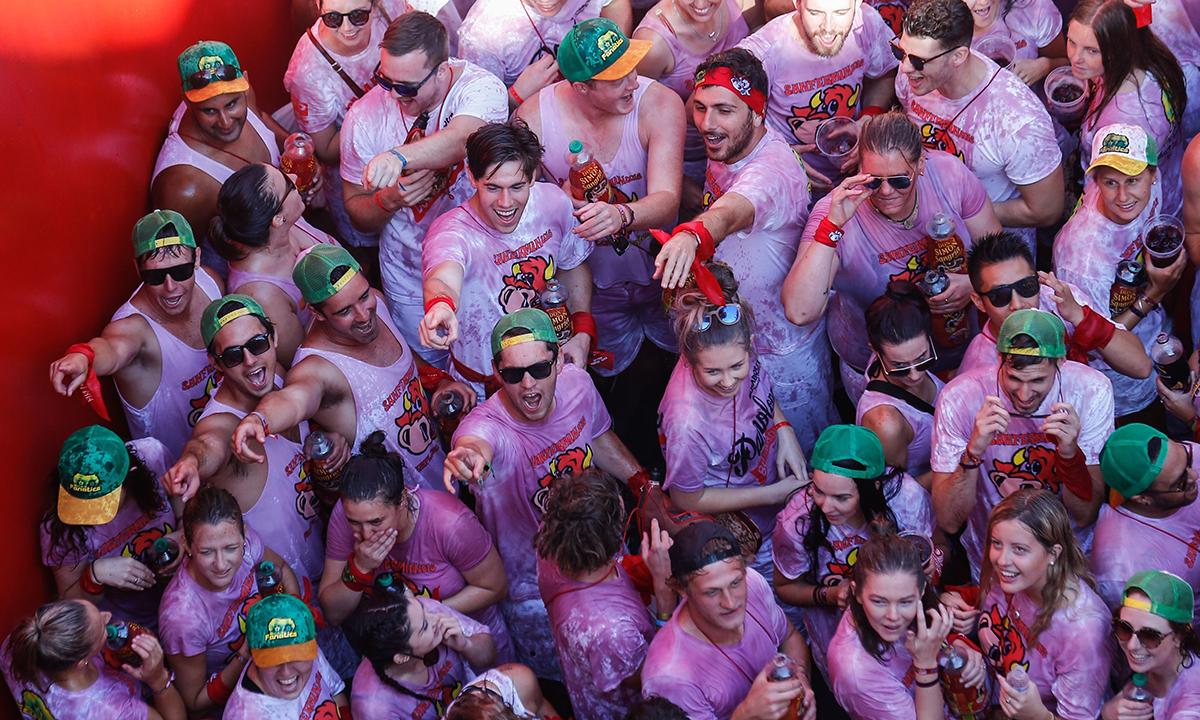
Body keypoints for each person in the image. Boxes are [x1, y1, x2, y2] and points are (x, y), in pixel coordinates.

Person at [444, 308, 644, 678]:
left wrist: (642, 485)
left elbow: (597, 436)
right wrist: (468, 459)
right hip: (536, 592)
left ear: (558, 359)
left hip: (605, 557)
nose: (529, 385)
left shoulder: (578, 385)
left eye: (539, 369)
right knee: (572, 679)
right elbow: (476, 446)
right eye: (513, 374)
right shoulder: (487, 426)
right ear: (496, 373)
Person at [655, 49, 838, 450]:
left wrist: (693, 235)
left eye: (724, 110)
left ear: (757, 113)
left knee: (801, 461)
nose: (707, 124)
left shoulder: (767, 174)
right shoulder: (732, 145)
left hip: (782, 356)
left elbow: (728, 212)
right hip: (738, 344)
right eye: (700, 108)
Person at [784, 111, 1002, 401]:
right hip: (884, 371)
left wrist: (974, 285)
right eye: (874, 181)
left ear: (920, 164)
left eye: (900, 180)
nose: (885, 191)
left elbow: (998, 257)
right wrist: (833, 227)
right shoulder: (834, 211)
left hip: (960, 346)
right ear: (859, 167)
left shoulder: (948, 175)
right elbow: (800, 311)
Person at [515, 18, 685, 379]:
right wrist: (555, 203)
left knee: (682, 364)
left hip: (663, 277)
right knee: (612, 382)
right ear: (581, 87)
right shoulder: (533, 119)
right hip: (590, 289)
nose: (633, 82)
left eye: (632, 67)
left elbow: (668, 199)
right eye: (617, 78)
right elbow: (518, 213)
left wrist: (620, 215)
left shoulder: (660, 103)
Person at [340, 11, 507, 364]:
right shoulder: (364, 117)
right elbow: (356, 211)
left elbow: (465, 138)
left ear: (442, 72)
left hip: (487, 265)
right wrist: (389, 200)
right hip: (410, 274)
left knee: (497, 365)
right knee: (436, 374)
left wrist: (399, 157)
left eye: (408, 88)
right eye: (385, 81)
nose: (395, 95)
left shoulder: (480, 87)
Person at [230, 245, 465, 492]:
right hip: (402, 512)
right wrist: (260, 420)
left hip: (448, 472)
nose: (363, 315)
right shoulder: (316, 368)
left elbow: (403, 359)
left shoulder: (378, 304)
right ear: (315, 312)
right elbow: (294, 399)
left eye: (363, 296)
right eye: (344, 311)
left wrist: (440, 381)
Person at [160, 295, 333, 593]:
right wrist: (190, 462)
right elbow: (206, 444)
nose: (251, 361)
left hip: (327, 562)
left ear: (274, 337)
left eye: (257, 345)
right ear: (216, 363)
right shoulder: (222, 422)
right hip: (282, 593)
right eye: (233, 356)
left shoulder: (277, 376)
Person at [930, 309, 1114, 578]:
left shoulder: (1091, 390)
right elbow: (948, 519)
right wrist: (974, 451)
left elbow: (1085, 515)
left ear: (1061, 361)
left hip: (1065, 554)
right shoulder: (959, 397)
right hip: (996, 555)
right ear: (999, 359)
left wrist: (1069, 453)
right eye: (1013, 379)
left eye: (1038, 380)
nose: (1025, 395)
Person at [420, 120, 595, 394]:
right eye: (492, 187)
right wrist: (441, 306)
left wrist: (582, 331)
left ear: (534, 175)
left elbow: (571, 265)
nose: (505, 203)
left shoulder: (552, 202)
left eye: (517, 187)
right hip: (485, 390)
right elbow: (442, 277)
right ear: (471, 175)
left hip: (550, 372)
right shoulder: (452, 231)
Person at [658, 265, 810, 578]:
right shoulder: (687, 422)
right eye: (712, 372)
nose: (728, 381)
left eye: (736, 366)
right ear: (689, 359)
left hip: (774, 489)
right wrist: (773, 495)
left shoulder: (736, 349)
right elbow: (686, 497)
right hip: (745, 532)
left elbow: (757, 388)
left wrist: (784, 430)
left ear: (749, 344)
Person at [318, 432, 510, 662]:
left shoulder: (450, 523)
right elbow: (333, 614)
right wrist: (359, 569)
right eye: (355, 523)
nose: (366, 534)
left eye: (376, 522)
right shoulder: (344, 514)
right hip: (406, 662)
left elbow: (495, 587)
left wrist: (424, 615)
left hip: (472, 648)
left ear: (402, 501)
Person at [49, 210, 223, 459]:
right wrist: (84, 357)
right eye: (154, 276)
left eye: (181, 271)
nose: (170, 287)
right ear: (137, 268)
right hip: (179, 482)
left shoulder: (210, 282)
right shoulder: (134, 328)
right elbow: (112, 347)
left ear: (196, 258)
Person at [895, 0, 1063, 251]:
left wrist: (959, 210)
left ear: (959, 56)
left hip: (992, 254)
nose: (905, 67)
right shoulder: (914, 76)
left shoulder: (1018, 121)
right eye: (900, 53)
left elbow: (1045, 210)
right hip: (923, 238)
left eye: (919, 61)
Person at [773, 425, 935, 680]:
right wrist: (829, 595)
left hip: (907, 628)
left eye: (841, 497)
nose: (826, 506)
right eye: (817, 490)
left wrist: (934, 563)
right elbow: (784, 586)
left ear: (874, 488)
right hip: (842, 637)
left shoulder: (906, 498)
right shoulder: (797, 521)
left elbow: (938, 547)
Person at [1053, 124, 1182, 425]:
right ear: (1096, 180)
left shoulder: (1154, 184)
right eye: (1111, 182)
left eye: (1133, 180)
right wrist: (1155, 294)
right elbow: (1095, 338)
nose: (1123, 195)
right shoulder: (1082, 261)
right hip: (1123, 385)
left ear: (1153, 174)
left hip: (1159, 337)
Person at [640, 521, 817, 720]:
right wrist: (747, 714)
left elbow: (789, 637)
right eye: (712, 591)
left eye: (735, 583)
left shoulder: (753, 583)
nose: (730, 602)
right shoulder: (670, 677)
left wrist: (800, 679)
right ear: (682, 590)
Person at [534, 468, 667, 720]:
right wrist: (664, 590)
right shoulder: (612, 631)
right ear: (616, 536)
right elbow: (652, 678)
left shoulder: (551, 539)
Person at [158, 486, 300, 717]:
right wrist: (246, 653)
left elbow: (281, 569)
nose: (221, 564)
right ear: (186, 544)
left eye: (231, 548)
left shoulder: (248, 546)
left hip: (278, 667)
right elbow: (195, 702)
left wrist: (295, 620)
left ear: (244, 534)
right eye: (207, 552)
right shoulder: (182, 616)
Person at [151, 41, 289, 269]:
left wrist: (291, 144)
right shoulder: (185, 187)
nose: (225, 122)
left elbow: (261, 118)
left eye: (232, 104)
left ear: (245, 83)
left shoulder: (246, 92)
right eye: (209, 111)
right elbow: (182, 263)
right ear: (186, 100)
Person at [975, 489, 1111, 720]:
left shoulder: (1082, 631)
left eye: (1020, 549)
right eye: (997, 543)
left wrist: (1038, 716)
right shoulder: (1015, 580)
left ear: (1053, 554)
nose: (1002, 560)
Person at [826, 523, 985, 720]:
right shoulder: (856, 673)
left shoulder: (917, 600)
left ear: (922, 592)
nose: (893, 616)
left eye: (906, 602)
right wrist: (925, 665)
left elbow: (940, 638)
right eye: (879, 601)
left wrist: (961, 649)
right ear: (856, 593)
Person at [737, 0, 898, 191]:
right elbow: (725, 118)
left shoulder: (867, 22)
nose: (828, 27)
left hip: (857, 181)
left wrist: (867, 119)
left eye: (841, 12)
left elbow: (883, 75)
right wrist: (778, 157)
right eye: (815, 12)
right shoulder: (765, 49)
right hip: (788, 188)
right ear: (797, 3)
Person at [284, 0, 402, 251]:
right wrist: (376, 107)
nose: (347, 27)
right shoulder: (308, 72)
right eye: (334, 18)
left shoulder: (390, 8)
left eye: (358, 15)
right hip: (358, 184)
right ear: (319, 7)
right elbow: (326, 151)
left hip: (409, 162)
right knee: (367, 253)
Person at [962, 231, 1150, 387]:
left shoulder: (1057, 300)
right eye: (1000, 295)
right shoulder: (980, 367)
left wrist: (1079, 315)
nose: (1018, 304)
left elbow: (1141, 367)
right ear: (979, 302)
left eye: (1026, 286)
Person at [41, 426, 180, 631]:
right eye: (82, 502)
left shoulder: (152, 456)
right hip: (124, 628)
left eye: (102, 502)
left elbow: (180, 494)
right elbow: (68, 602)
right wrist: (94, 575)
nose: (91, 514)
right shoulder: (58, 527)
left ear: (130, 476)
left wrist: (184, 533)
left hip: (182, 594)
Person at [210, 164, 341, 367]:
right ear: (278, 219)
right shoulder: (263, 295)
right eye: (287, 182)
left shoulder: (279, 224)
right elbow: (303, 359)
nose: (294, 174)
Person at [1068, 0, 1187, 215]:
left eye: (1092, 51)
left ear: (1117, 52)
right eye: (1072, 42)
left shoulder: (1123, 123)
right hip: (1173, 181)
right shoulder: (1148, 59)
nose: (1076, 58)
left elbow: (1121, 196)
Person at [1, 599, 185, 720]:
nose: (108, 616)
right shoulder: (113, 711)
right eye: (102, 628)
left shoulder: (17, 645)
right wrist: (158, 678)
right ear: (82, 661)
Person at [632, 0, 749, 189]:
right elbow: (635, 120)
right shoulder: (653, 43)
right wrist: (681, 183)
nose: (701, 3)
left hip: (743, 148)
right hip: (689, 160)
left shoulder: (739, 2)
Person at [1094, 424, 1200, 622]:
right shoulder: (1123, 571)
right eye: (1181, 482)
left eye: (1188, 461)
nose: (1195, 475)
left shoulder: (1191, 456)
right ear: (1141, 499)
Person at [346, 590, 498, 720]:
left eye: (424, 610)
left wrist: (466, 644)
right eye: (425, 627)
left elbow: (490, 657)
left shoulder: (420, 613)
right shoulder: (374, 708)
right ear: (402, 657)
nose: (435, 618)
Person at [458, 0, 634, 107]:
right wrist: (515, 97)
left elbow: (614, 2)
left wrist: (613, 58)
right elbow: (476, 124)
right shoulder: (481, 35)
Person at [856, 282, 943, 486]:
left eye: (923, 360)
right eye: (900, 367)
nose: (914, 376)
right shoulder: (886, 423)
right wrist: (961, 465)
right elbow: (897, 492)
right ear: (875, 352)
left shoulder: (890, 350)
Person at [223, 594, 350, 719]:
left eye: (297, 658)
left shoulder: (310, 650)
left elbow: (336, 692)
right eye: (273, 661)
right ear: (252, 654)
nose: (286, 672)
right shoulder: (248, 715)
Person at [1102, 570, 1200, 719]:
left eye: (1149, 635)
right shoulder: (1154, 663)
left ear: (1180, 636)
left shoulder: (1191, 704)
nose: (1132, 646)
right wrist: (1108, 711)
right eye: (1125, 628)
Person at [966, 0, 1066, 86]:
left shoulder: (1033, 9)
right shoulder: (951, 34)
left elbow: (1068, 65)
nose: (984, 2)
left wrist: (1045, 66)